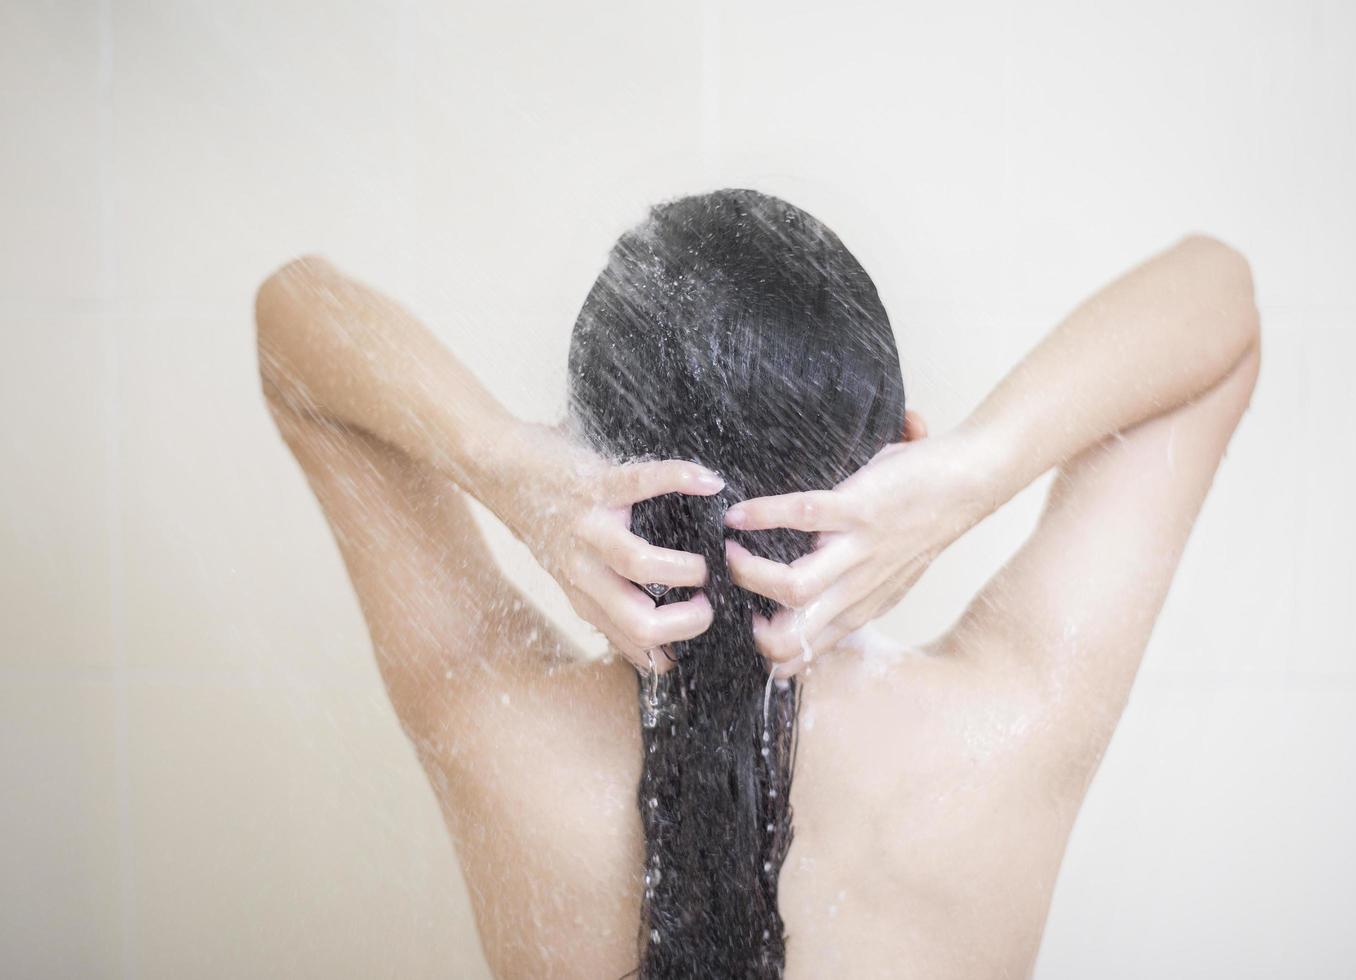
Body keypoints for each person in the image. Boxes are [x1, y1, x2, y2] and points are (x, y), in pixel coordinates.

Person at [255, 189, 1260, 979]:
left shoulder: (502, 734)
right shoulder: (1009, 725)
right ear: (894, 457)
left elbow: (291, 317)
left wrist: (508, 467)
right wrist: (977, 471)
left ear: (594, 471)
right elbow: (1222, 304)